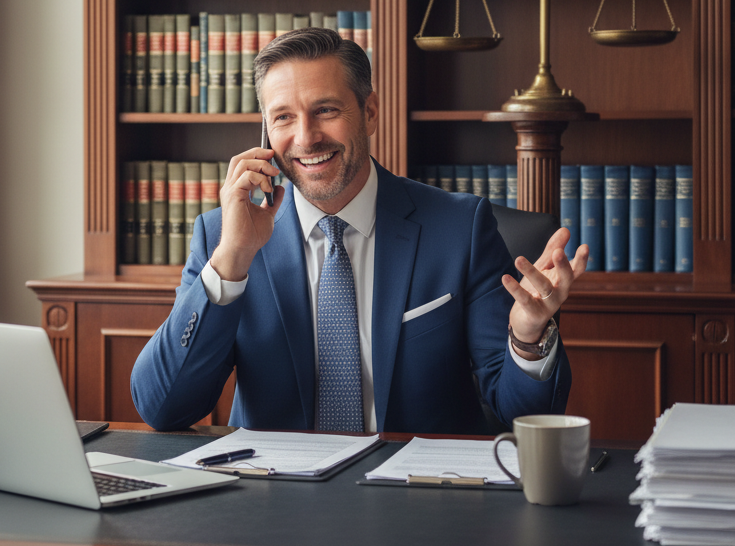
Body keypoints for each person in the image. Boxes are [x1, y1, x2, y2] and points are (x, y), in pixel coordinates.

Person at [131, 28, 589, 435]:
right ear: (266, 131)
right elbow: (163, 408)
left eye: (325, 110)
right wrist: (231, 259)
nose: (306, 137)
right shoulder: (222, 237)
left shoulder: (460, 228)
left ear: (369, 112)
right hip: (276, 506)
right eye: (284, 117)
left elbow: (519, 414)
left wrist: (528, 338)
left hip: (417, 503)